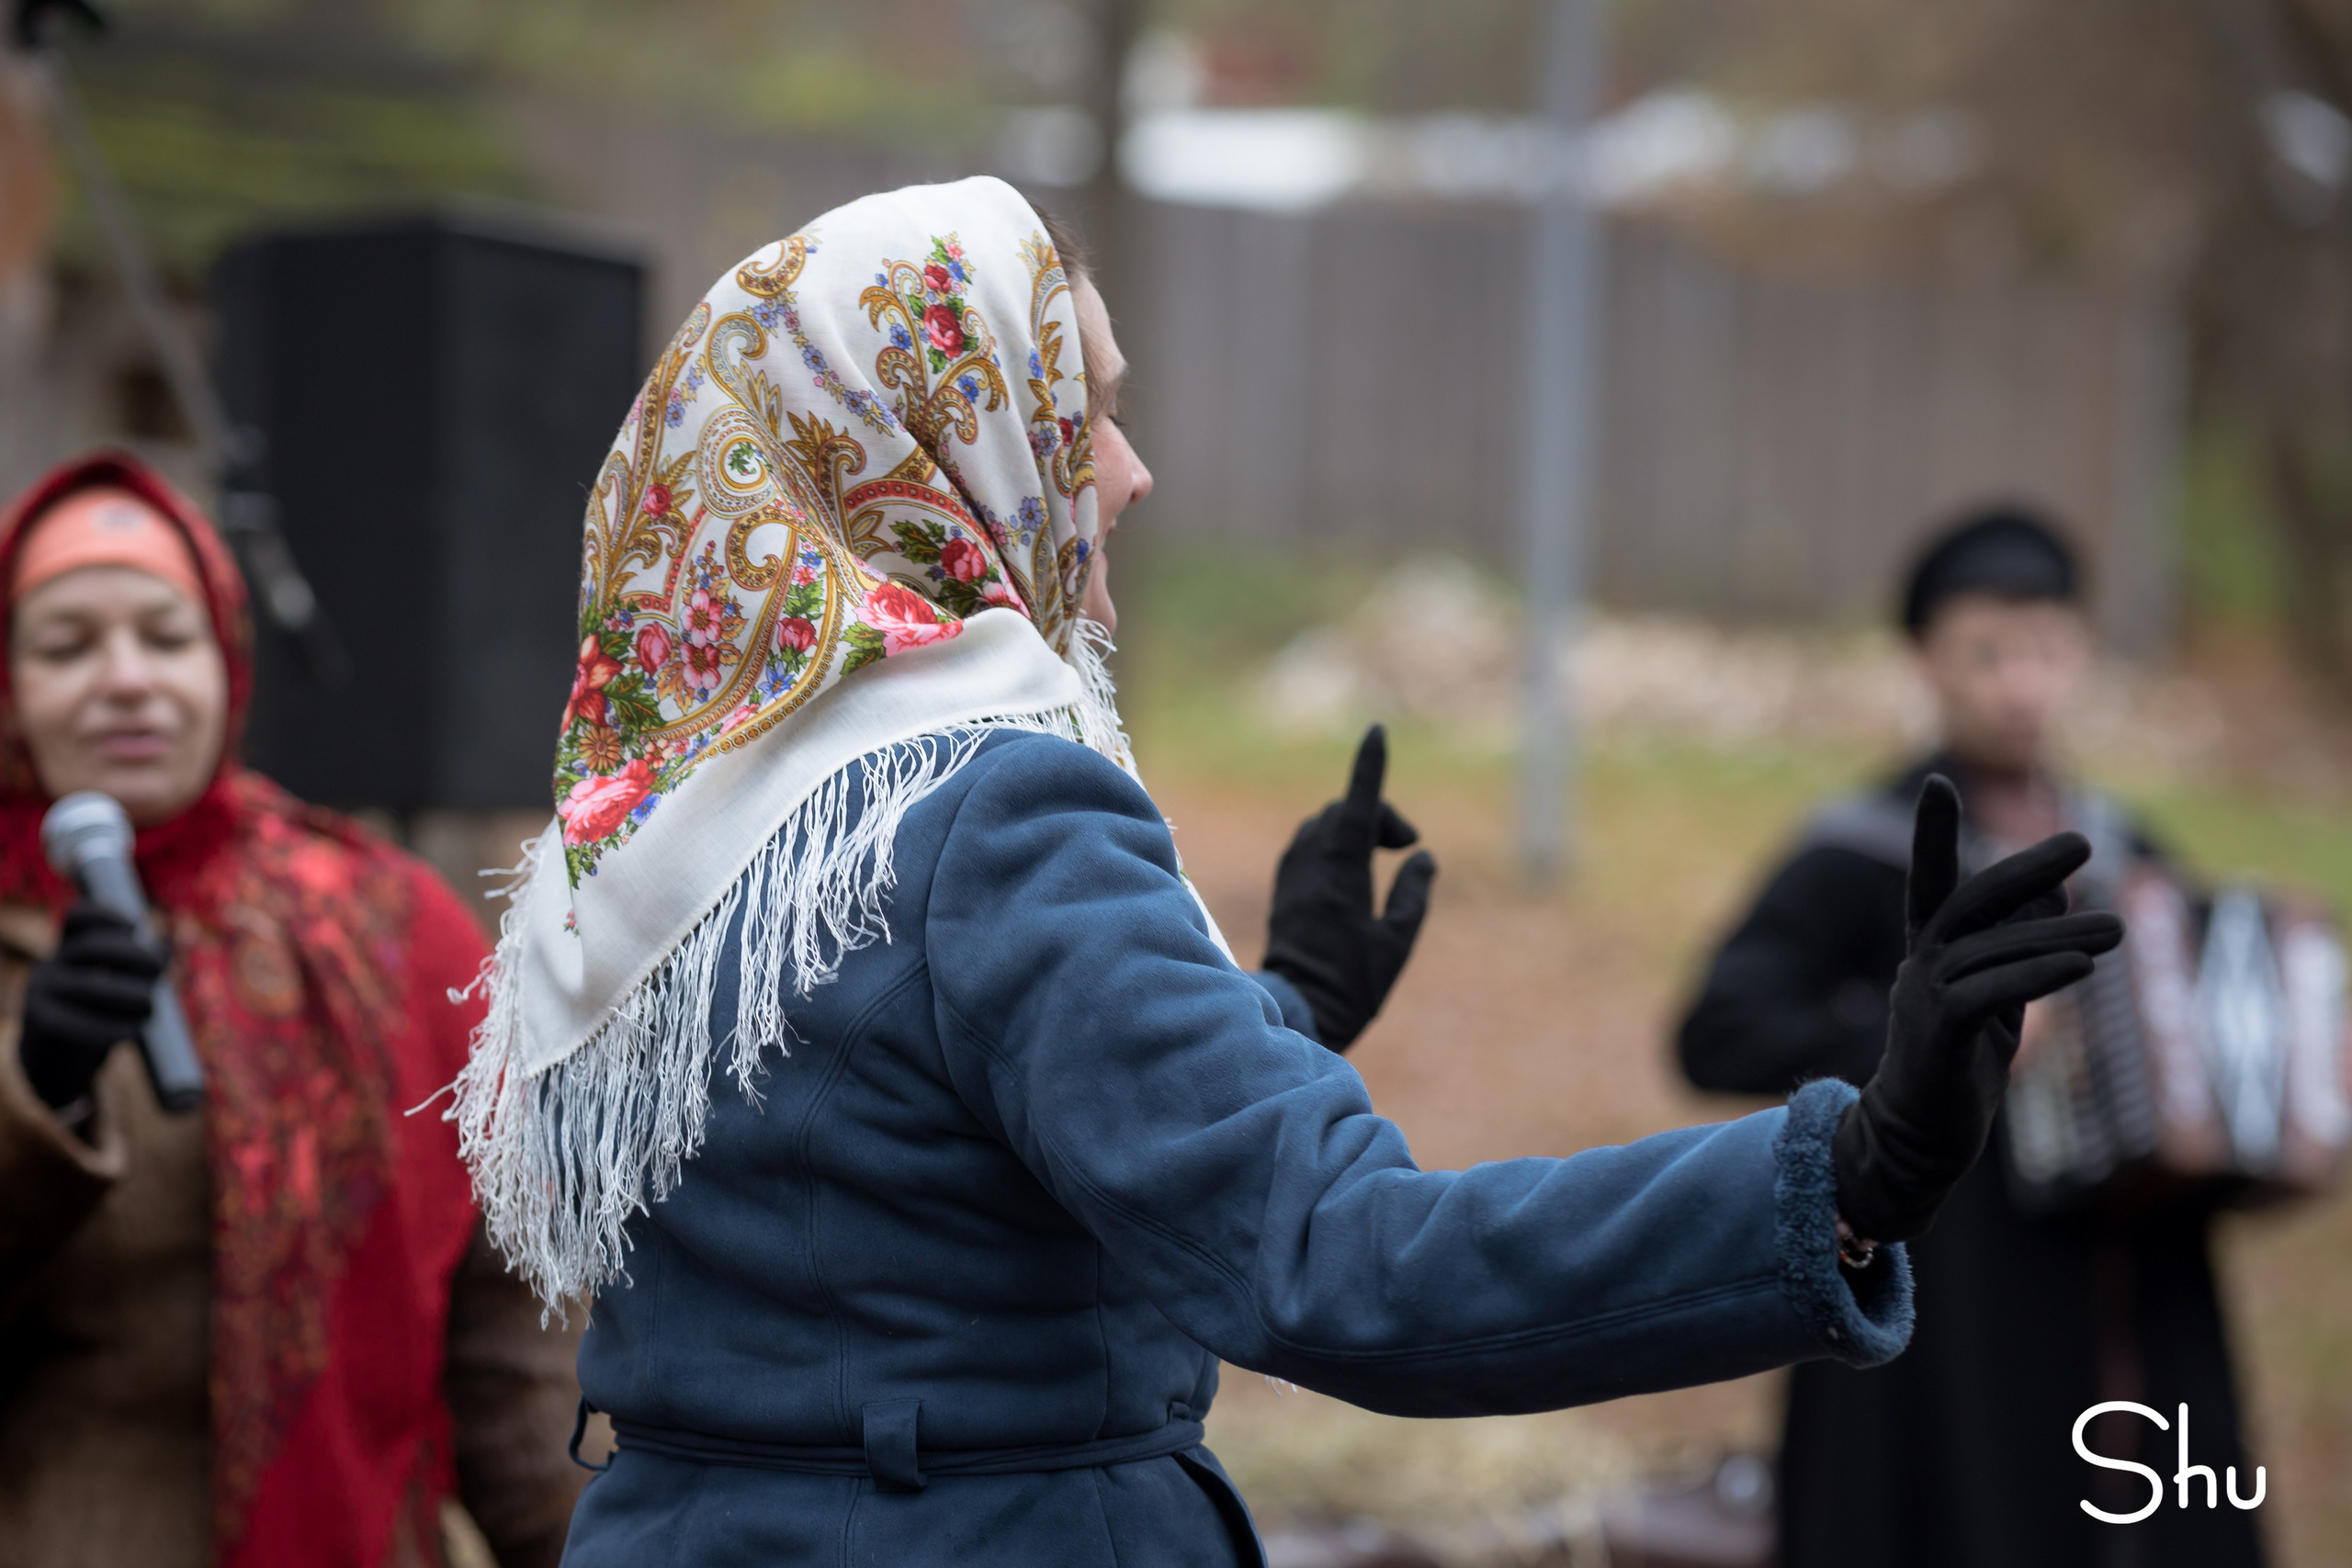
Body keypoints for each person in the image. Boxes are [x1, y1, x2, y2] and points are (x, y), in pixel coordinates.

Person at [450, 178, 2119, 1566]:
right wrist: (1850, 1172)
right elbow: (1352, 1264)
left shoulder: (675, 819)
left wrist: (1279, 1007)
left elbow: (887, 1172)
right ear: (934, 450)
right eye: (1083, 409)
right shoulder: (992, 811)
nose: (1127, 469)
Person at [0, 453, 589, 1567]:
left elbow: (511, 1331)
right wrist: (36, 1093)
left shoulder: (385, 926)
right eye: (67, 646)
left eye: (165, 638)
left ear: (226, 660)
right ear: (8, 682)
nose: (125, 679)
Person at [1677, 508, 2264, 1568]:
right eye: (1985, 653)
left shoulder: (2128, 851)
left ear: (2080, 656)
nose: (2020, 682)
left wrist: (2271, 1090)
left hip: (2127, 1296)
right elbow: (1716, 1032)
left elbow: (2207, 1064)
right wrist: (1917, 1047)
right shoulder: (1860, 851)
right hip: (1940, 1297)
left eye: (2044, 649)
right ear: (1925, 663)